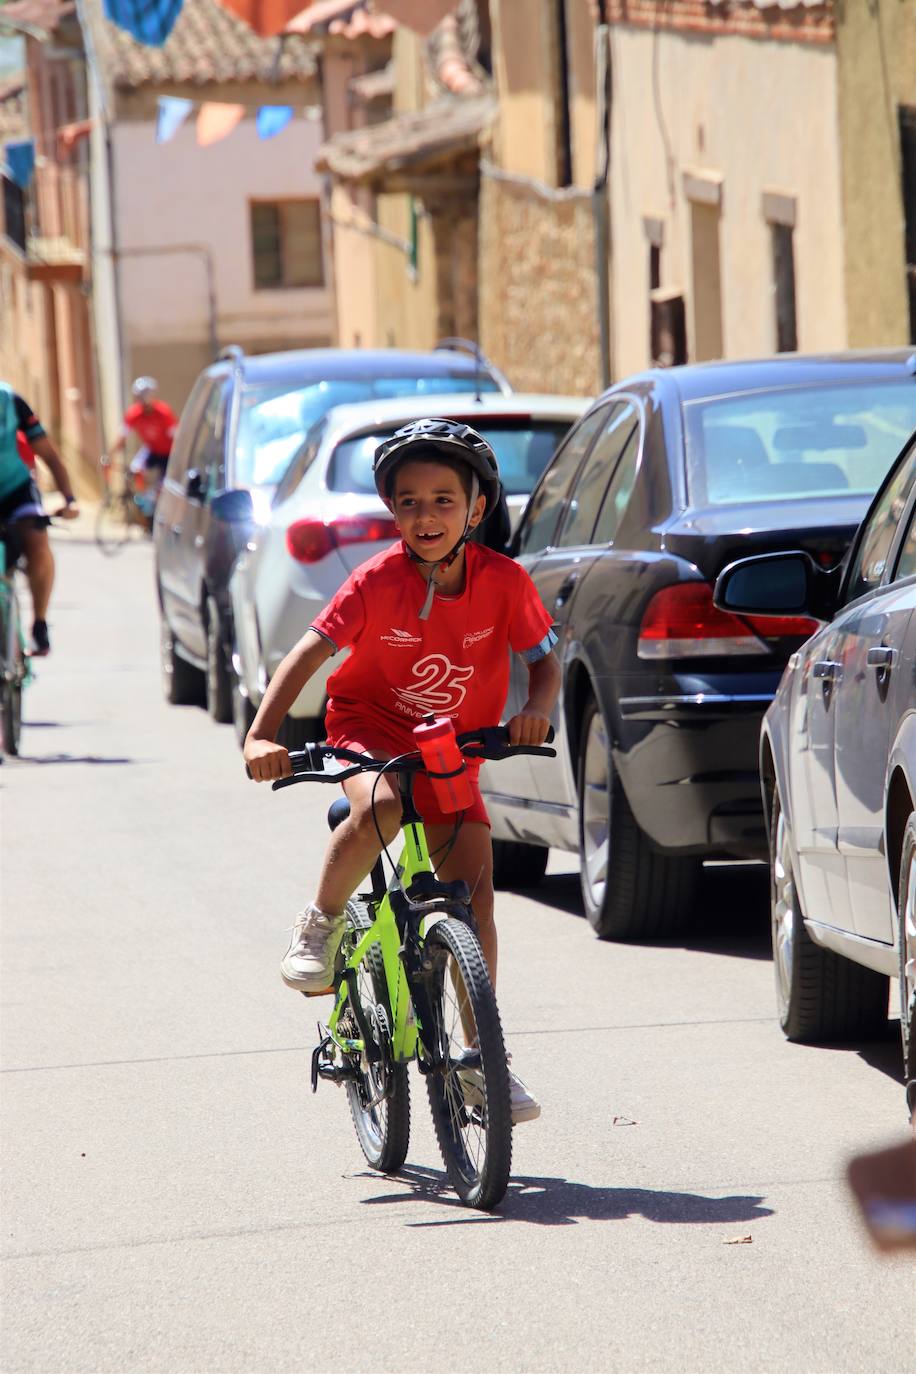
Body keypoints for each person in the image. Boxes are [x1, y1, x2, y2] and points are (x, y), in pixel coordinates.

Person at [244, 418, 561, 1123]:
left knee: (476, 902)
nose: (427, 515)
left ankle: (484, 1064)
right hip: (367, 726)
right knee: (383, 806)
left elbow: (545, 662)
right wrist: (261, 734)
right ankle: (320, 924)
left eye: (445, 500)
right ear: (392, 511)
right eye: (409, 501)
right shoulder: (374, 581)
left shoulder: (505, 583)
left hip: (452, 742)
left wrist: (536, 710)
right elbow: (307, 654)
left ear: (476, 509)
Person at [0, 382, 80, 655]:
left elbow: (48, 454)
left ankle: (40, 623)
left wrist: (69, 499)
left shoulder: (10, 400)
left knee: (36, 538)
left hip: (15, 490)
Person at [107, 377, 177, 493]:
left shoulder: (163, 413)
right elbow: (122, 436)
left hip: (168, 453)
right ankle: (142, 498)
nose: (144, 402)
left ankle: (157, 498)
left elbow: (176, 437)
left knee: (163, 486)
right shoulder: (134, 413)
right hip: (151, 449)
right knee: (136, 470)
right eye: (140, 397)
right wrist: (110, 455)